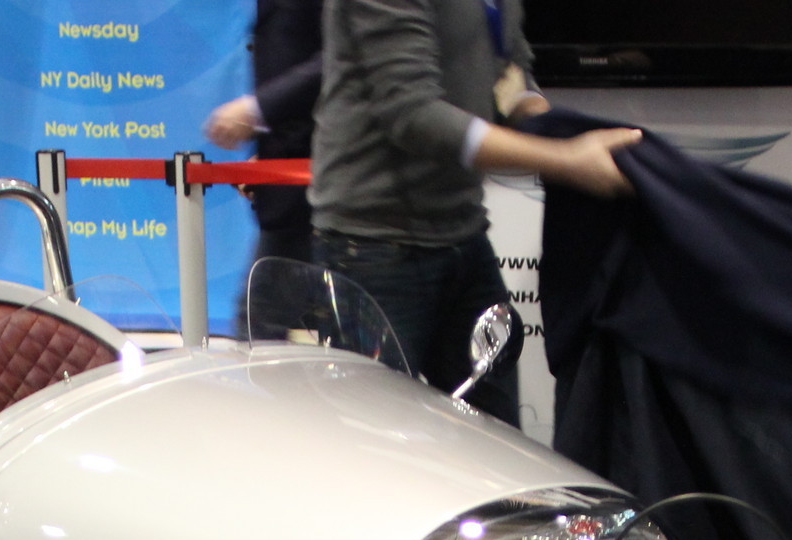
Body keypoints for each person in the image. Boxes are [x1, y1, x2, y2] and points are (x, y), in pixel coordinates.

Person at [308, 0, 636, 424]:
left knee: (498, 444)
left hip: (462, 233)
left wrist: (554, 125)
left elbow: (512, 75)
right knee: (374, 446)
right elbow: (413, 116)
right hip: (374, 248)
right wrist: (564, 158)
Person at [204, 0, 324, 268]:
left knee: (266, 306)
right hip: (293, 191)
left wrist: (256, 110)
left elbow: (343, 59)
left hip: (326, 196)